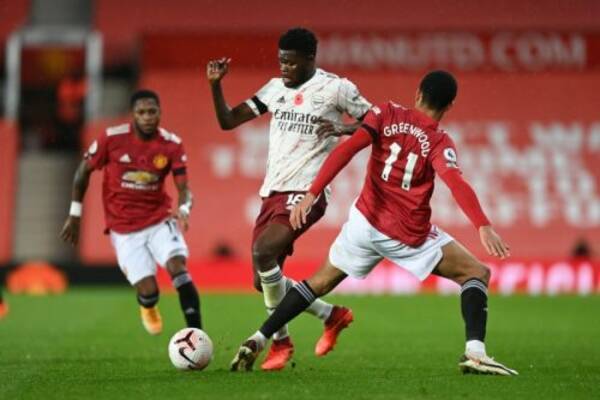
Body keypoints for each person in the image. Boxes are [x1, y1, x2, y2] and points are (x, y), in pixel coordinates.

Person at [230, 70, 518, 376]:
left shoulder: (385, 113)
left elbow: (346, 149)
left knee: (317, 284)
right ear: (449, 106)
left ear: (418, 94)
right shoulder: (438, 141)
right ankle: (476, 353)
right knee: (476, 273)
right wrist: (483, 225)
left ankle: (259, 337)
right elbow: (455, 182)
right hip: (406, 234)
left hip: (364, 223)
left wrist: (311, 193)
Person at [206, 27, 372, 370]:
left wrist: (344, 129)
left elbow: (377, 122)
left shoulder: (336, 88)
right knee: (263, 280)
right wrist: (215, 85)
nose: (284, 68)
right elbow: (228, 121)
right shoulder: (274, 88)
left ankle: (280, 343)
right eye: (281, 61)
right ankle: (331, 314)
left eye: (291, 63)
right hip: (273, 192)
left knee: (262, 251)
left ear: (310, 58)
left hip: (308, 191)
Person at [60, 90, 202, 335]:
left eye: (152, 112)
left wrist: (183, 208)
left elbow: (184, 188)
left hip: (159, 219)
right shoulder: (111, 139)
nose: (147, 117)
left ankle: (197, 335)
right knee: (149, 291)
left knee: (178, 269)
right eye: (141, 112)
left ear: (160, 113)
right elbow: (83, 171)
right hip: (124, 228)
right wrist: (75, 214)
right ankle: (148, 306)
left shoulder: (171, 144)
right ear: (133, 115)